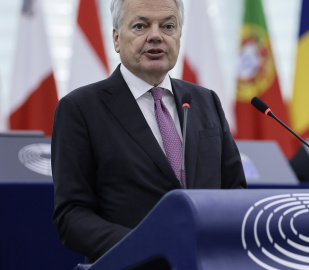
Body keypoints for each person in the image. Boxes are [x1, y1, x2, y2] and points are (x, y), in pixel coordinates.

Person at [51, 0, 247, 263]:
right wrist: (145, 246)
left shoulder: (205, 101)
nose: (156, 36)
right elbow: (71, 215)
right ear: (117, 38)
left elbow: (235, 193)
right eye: (141, 26)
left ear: (178, 35)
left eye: (168, 26)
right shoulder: (80, 109)